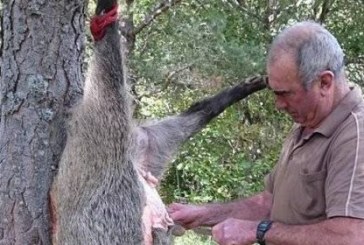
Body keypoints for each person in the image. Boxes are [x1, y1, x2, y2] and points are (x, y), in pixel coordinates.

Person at [168, 21, 364, 245]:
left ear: (325, 82)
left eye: (285, 93)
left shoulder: (355, 136)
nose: (278, 104)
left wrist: (259, 231)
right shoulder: (306, 122)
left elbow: (352, 237)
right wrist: (205, 214)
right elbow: (269, 203)